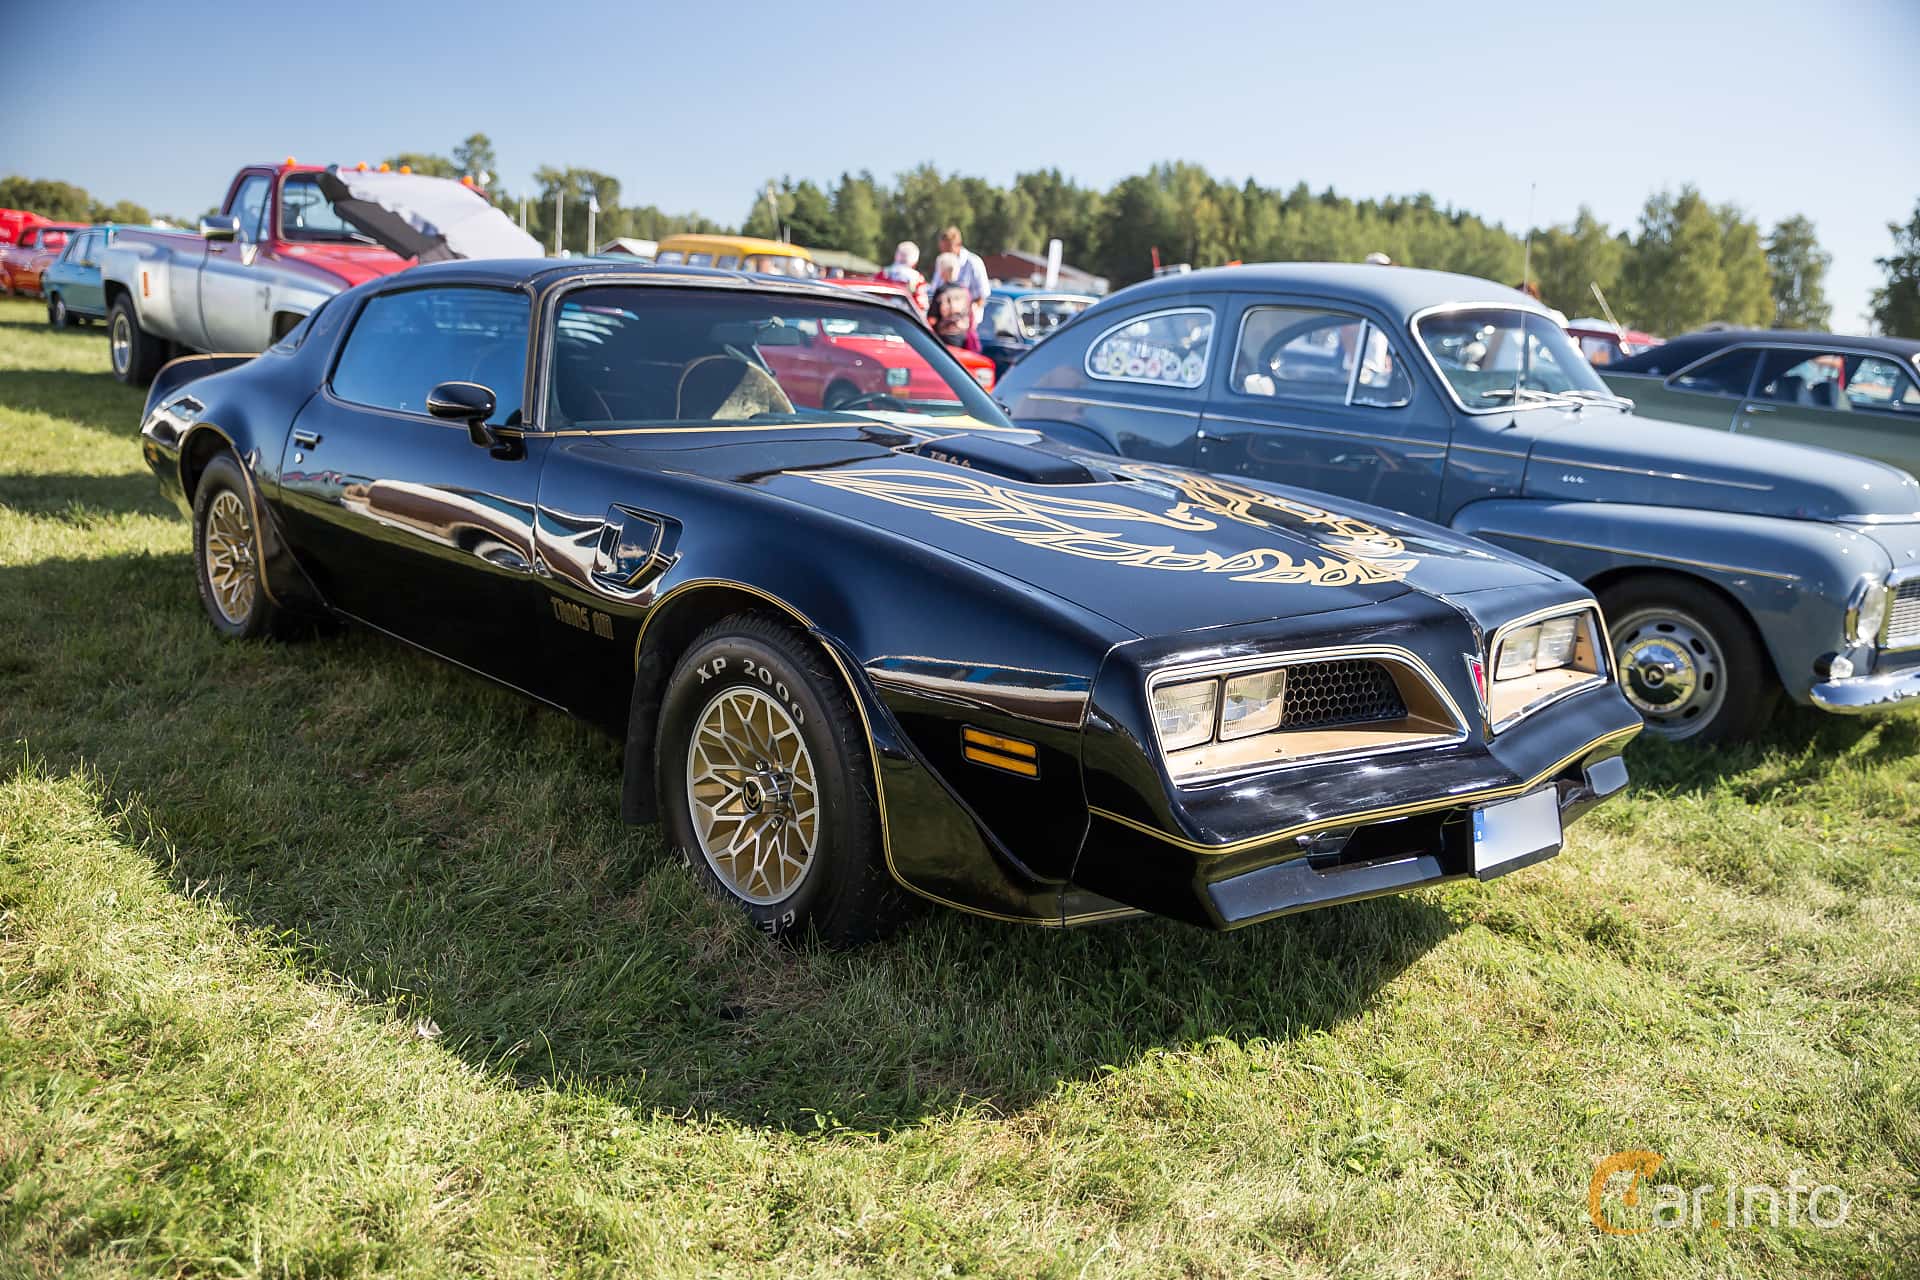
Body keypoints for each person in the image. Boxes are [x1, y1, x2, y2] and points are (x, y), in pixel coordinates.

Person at [928, 226, 991, 327]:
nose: (945, 253)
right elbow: (934, 290)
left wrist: (966, 316)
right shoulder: (942, 261)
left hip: (966, 324)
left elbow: (982, 295)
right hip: (943, 324)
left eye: (948, 249)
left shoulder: (973, 262)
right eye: (943, 249)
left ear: (958, 245)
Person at [929, 283, 981, 352]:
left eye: (946, 302)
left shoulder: (955, 330)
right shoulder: (942, 325)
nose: (941, 306)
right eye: (940, 302)